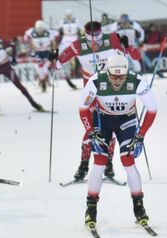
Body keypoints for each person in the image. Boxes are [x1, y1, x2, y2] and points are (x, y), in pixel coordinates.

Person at [51, 21, 140, 181]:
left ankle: (108, 164)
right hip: (91, 90)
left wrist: (128, 47)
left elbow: (135, 57)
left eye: (98, 39)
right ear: (86, 35)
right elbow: (57, 65)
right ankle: (84, 165)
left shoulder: (112, 39)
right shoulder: (77, 45)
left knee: (112, 125)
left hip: (112, 89)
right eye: (92, 40)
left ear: (102, 33)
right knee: (91, 128)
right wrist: (54, 58)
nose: (96, 43)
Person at [77, 54, 157, 227]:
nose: (118, 80)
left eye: (122, 76)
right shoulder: (96, 81)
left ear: (127, 72)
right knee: (99, 162)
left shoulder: (137, 81)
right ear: (108, 72)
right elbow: (83, 109)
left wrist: (141, 135)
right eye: (114, 76)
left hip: (126, 121)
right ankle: (91, 208)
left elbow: (152, 109)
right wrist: (90, 133)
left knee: (128, 161)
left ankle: (139, 206)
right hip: (102, 120)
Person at [0, 32, 44, 116]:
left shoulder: (3, 43)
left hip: (6, 67)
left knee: (18, 84)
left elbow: (13, 45)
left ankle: (35, 105)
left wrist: (13, 59)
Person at [23, 20, 57, 92]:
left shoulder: (48, 32)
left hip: (47, 52)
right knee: (38, 68)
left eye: (41, 29)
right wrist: (28, 43)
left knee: (45, 68)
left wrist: (54, 52)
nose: (39, 30)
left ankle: (45, 81)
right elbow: (25, 38)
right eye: (38, 29)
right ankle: (41, 81)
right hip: (37, 52)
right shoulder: (31, 31)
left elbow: (53, 42)